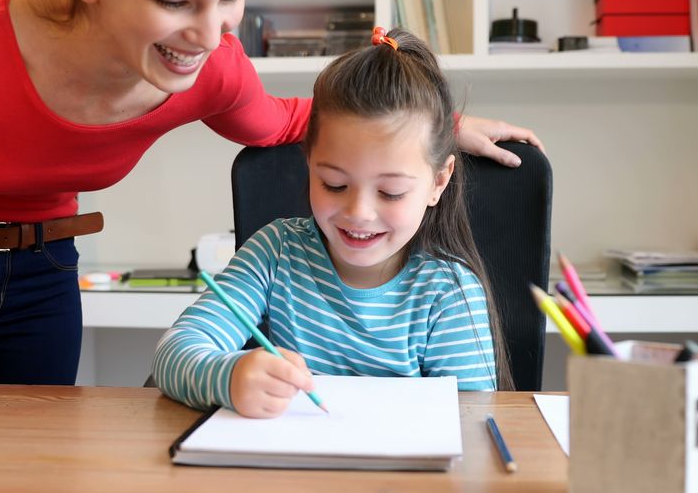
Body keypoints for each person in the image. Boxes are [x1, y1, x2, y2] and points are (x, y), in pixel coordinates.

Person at [0, 0, 541, 468]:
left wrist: (437, 130)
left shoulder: (210, 66)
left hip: (40, 276)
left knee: (28, 466)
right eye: (175, 0)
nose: (211, 35)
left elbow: (295, 124)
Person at [153, 27, 514, 418]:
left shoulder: (447, 292)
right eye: (335, 184)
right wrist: (230, 376)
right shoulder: (275, 253)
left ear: (438, 183)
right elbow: (174, 352)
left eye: (391, 192)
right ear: (309, 164)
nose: (359, 212)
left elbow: (475, 423)